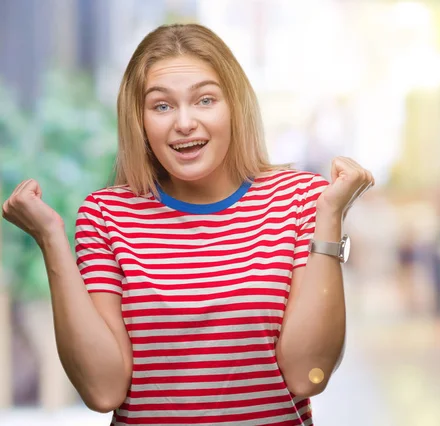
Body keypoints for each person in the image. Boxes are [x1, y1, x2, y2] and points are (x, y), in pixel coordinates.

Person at [1, 24, 374, 425]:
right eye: (161, 106)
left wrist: (330, 217)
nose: (184, 122)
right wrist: (50, 239)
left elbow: (308, 373)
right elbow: (102, 389)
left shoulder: (301, 201)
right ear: (139, 120)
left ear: (234, 105)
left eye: (205, 100)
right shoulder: (106, 215)